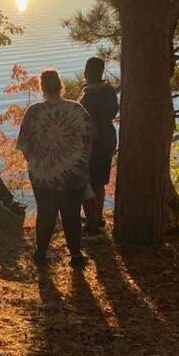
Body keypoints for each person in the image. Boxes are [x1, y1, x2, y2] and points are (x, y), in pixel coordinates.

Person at [17, 69, 93, 267]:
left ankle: (40, 253)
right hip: (74, 173)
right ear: (61, 86)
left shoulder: (33, 112)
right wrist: (81, 163)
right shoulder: (76, 109)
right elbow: (89, 140)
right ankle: (76, 255)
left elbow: (24, 146)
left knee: (46, 213)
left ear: (42, 88)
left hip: (42, 174)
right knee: (72, 214)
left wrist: (37, 164)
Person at [79, 57, 118, 235]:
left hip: (91, 144)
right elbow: (112, 113)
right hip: (108, 140)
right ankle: (97, 217)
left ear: (87, 72)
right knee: (100, 182)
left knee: (85, 182)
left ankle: (91, 223)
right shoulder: (109, 92)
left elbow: (83, 124)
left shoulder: (88, 97)